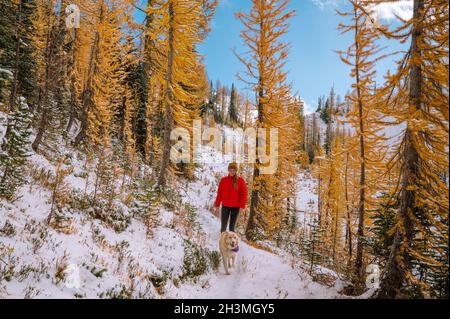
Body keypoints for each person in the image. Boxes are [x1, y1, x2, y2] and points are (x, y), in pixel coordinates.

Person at [214, 162, 248, 233]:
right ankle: (223, 241)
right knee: (223, 227)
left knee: (231, 228)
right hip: (225, 206)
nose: (232, 171)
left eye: (234, 170)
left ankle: (232, 243)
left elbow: (244, 194)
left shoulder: (240, 181)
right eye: (230, 170)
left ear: (236, 171)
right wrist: (217, 205)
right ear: (228, 170)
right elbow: (219, 193)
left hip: (235, 207)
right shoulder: (223, 180)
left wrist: (242, 206)